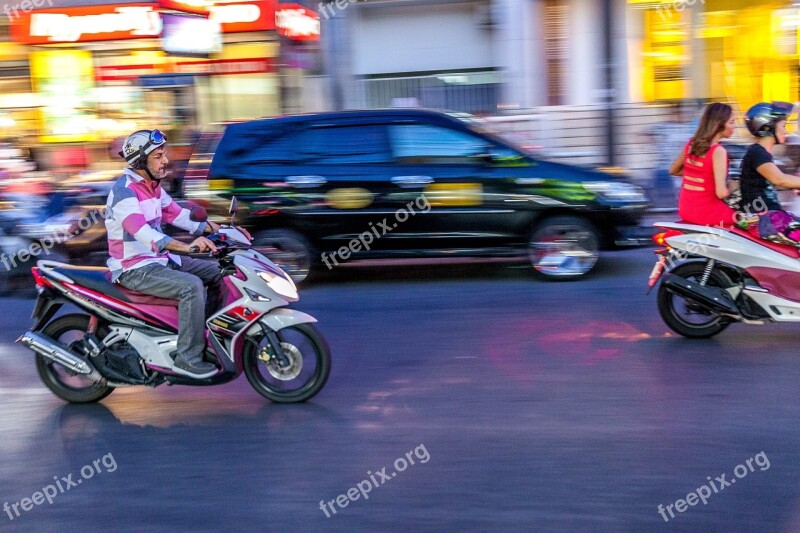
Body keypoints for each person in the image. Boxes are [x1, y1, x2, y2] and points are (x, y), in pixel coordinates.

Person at [105, 129, 224, 376]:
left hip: (160, 260)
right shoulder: (124, 192)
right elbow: (144, 234)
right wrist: (188, 247)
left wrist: (216, 229)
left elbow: (176, 214)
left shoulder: (154, 187)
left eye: (164, 154)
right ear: (141, 161)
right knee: (191, 286)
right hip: (135, 268)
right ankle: (187, 358)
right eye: (159, 156)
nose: (165, 161)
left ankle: (209, 333)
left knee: (221, 271)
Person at [736, 102, 800, 245]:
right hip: (763, 219)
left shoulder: (762, 153)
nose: (786, 131)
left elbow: (773, 182)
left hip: (768, 217)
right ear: (767, 127)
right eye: (783, 126)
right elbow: (780, 179)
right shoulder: (757, 153)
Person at [669, 102, 738, 227]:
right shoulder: (718, 151)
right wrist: (734, 186)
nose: (734, 126)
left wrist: (702, 176)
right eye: (732, 122)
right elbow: (721, 193)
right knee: (749, 219)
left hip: (685, 209)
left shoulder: (692, 143)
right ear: (719, 124)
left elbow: (673, 170)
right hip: (707, 212)